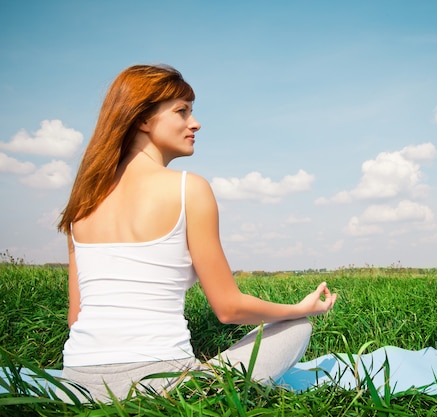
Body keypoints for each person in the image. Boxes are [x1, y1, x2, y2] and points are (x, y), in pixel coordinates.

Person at [55, 64, 337, 402]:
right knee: (296, 328)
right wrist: (301, 308)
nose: (195, 123)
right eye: (182, 111)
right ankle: (201, 387)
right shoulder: (190, 188)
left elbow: (77, 317)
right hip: (163, 387)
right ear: (143, 119)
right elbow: (229, 309)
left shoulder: (82, 203)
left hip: (76, 385)